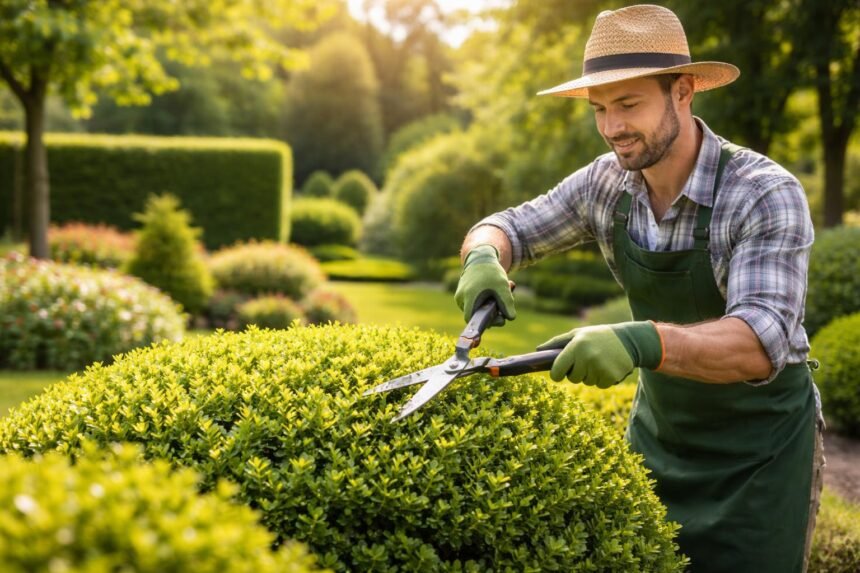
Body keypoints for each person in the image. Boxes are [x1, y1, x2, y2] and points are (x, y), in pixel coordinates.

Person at [454, 5, 825, 573]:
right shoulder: (607, 183)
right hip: (660, 442)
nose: (612, 128)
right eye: (599, 109)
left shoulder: (763, 193)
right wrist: (482, 253)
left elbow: (760, 341)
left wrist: (638, 342)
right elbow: (511, 226)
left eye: (628, 105)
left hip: (761, 457)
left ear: (683, 91)